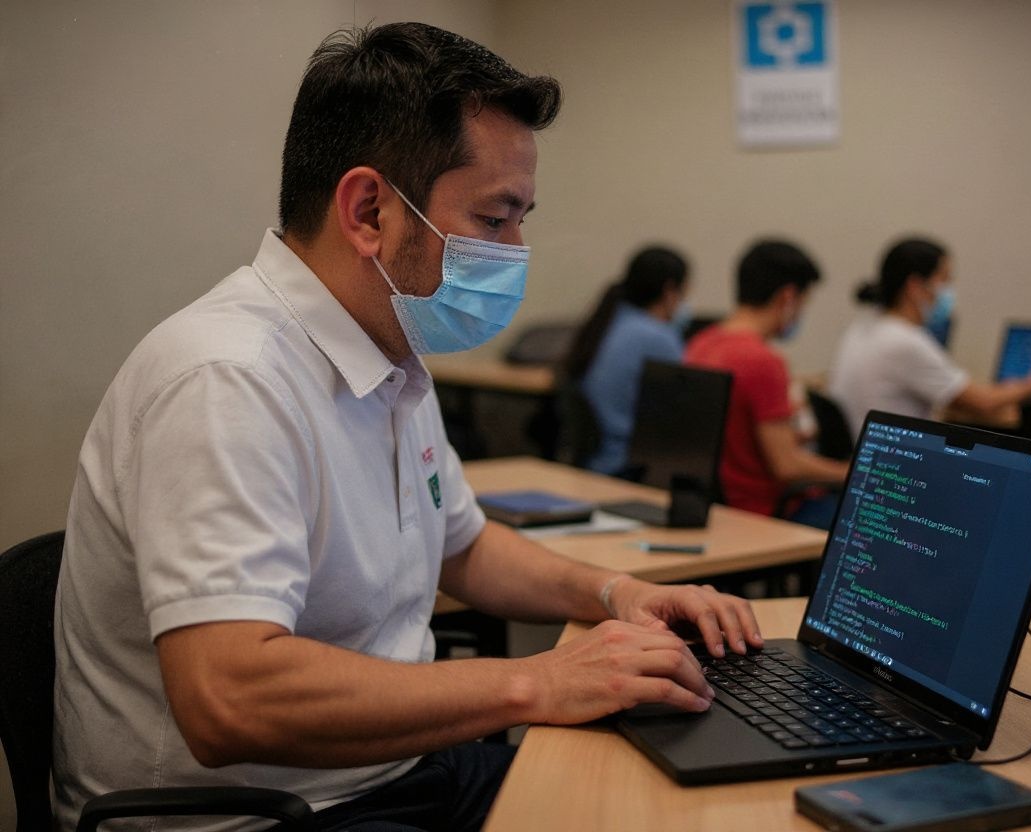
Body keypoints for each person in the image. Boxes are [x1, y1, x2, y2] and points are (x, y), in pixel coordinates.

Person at [52, 23, 764, 832]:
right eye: (497, 220)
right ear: (369, 211)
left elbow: (464, 546)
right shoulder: (227, 377)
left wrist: (616, 594)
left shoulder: (389, 347)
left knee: (655, 800)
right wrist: (541, 681)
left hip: (390, 775)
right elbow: (228, 697)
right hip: (257, 817)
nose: (517, 251)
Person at [685, 240, 848, 529]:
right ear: (788, 297)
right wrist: (857, 473)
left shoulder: (702, 343)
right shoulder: (762, 361)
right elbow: (787, 466)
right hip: (763, 511)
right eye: (803, 303)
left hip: (717, 505)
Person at [828, 237, 1031, 433]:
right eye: (944, 280)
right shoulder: (904, 341)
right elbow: (982, 402)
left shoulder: (864, 326)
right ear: (915, 285)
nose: (948, 291)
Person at [562, 246, 690, 475]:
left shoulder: (607, 320)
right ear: (670, 290)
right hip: (624, 465)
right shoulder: (658, 337)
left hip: (594, 461)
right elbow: (677, 419)